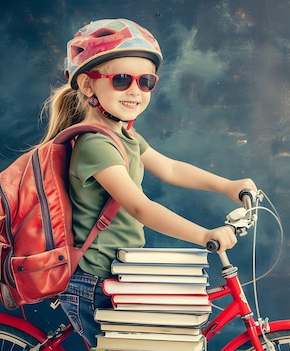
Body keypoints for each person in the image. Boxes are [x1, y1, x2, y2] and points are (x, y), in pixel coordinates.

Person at [37, 18, 257, 347]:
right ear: (87, 84)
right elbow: (140, 207)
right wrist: (205, 235)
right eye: (122, 80)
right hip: (97, 280)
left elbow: (170, 169)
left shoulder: (124, 135)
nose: (135, 92)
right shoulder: (96, 144)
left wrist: (227, 185)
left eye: (146, 81)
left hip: (121, 273)